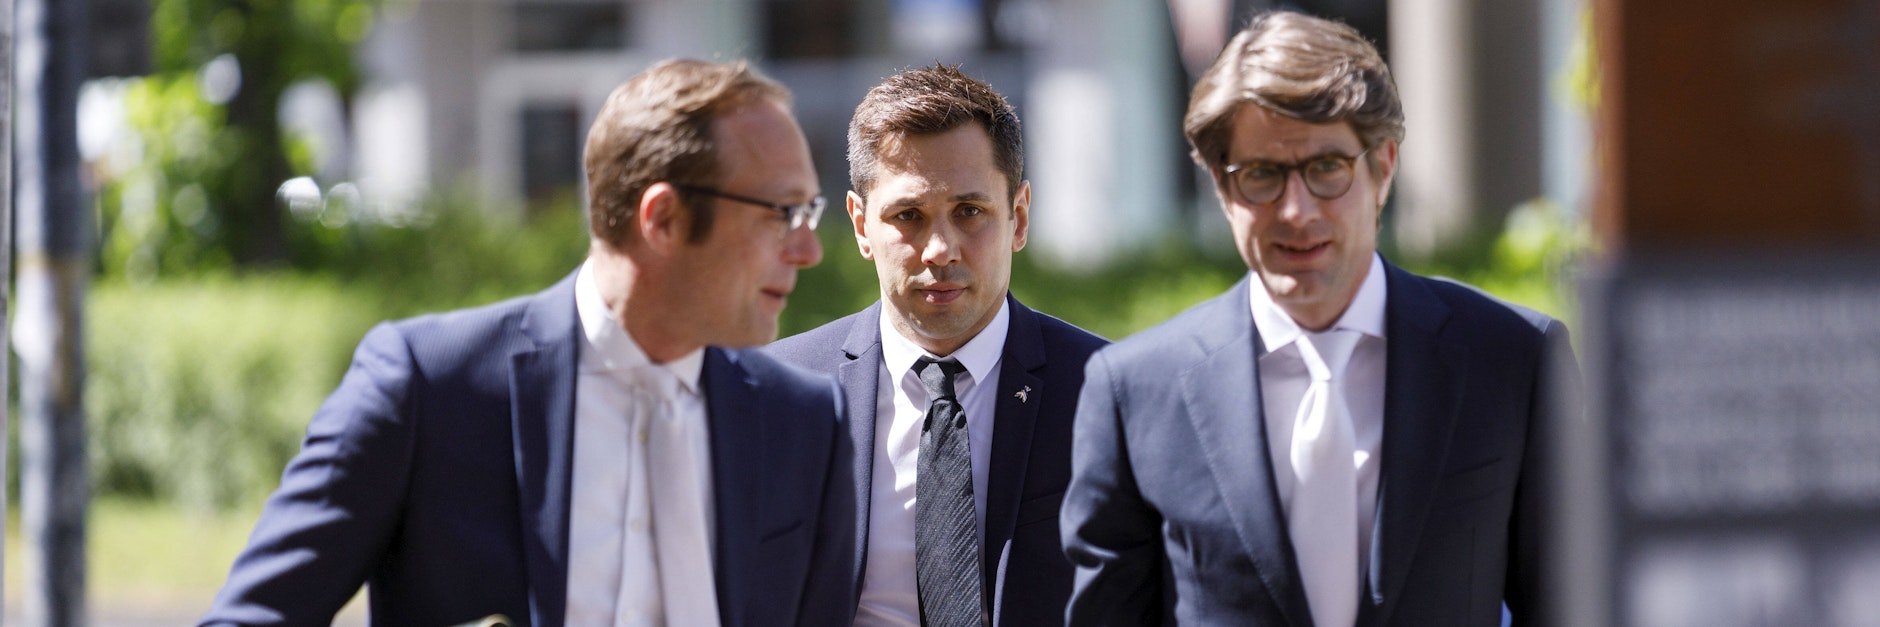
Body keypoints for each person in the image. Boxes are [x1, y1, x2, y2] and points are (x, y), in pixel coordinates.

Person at [200, 59, 855, 627]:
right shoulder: (427, 388)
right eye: (783, 213)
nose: (807, 249)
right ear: (663, 218)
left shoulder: (802, 420)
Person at [1061, 12, 1580, 626]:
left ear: (1382, 168)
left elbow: (1575, 605)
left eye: (1326, 169)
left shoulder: (1513, 360)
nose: (1296, 210)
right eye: (1261, 176)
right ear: (1223, 191)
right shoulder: (1135, 392)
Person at [766, 64, 1107, 627]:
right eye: (908, 216)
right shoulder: (780, 394)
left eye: (969, 212)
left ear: (1018, 217)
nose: (940, 249)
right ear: (859, 225)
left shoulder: (1106, 390)